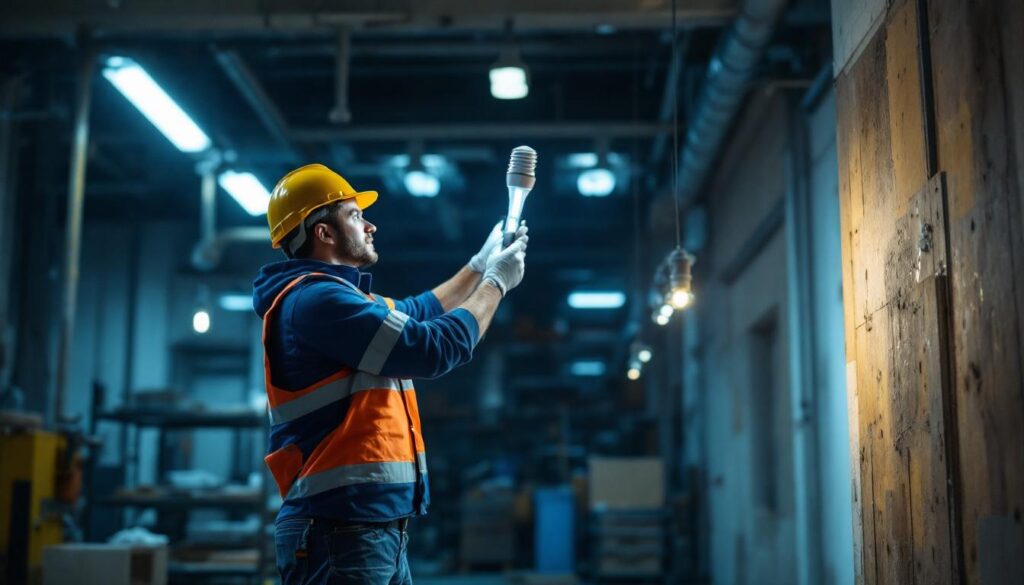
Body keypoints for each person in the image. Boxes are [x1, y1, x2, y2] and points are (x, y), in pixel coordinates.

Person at [251, 163, 528, 584]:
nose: (370, 226)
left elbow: (420, 311)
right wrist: (496, 284)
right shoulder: (318, 302)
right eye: (355, 215)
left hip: (362, 528)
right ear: (324, 233)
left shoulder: (339, 299)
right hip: (339, 528)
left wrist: (477, 265)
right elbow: (433, 349)